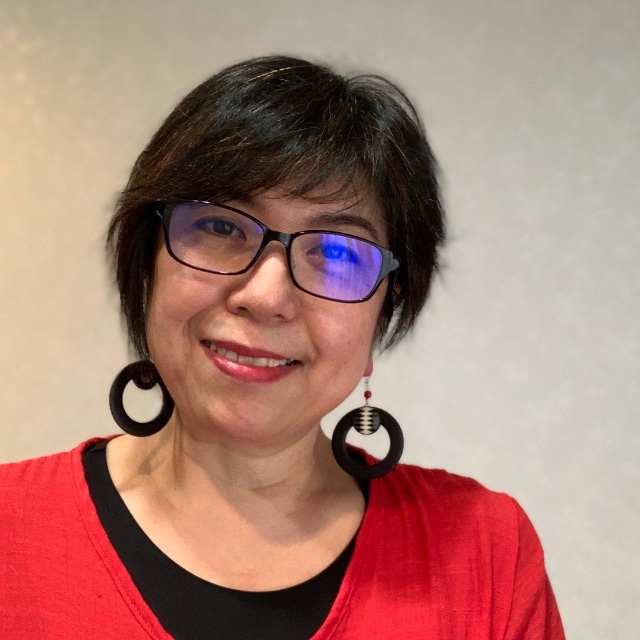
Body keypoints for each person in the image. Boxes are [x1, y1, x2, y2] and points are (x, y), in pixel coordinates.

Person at [0, 56, 565, 639]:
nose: (266, 296)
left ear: (383, 309)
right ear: (148, 260)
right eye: (221, 227)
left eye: (336, 252)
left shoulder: (486, 557)